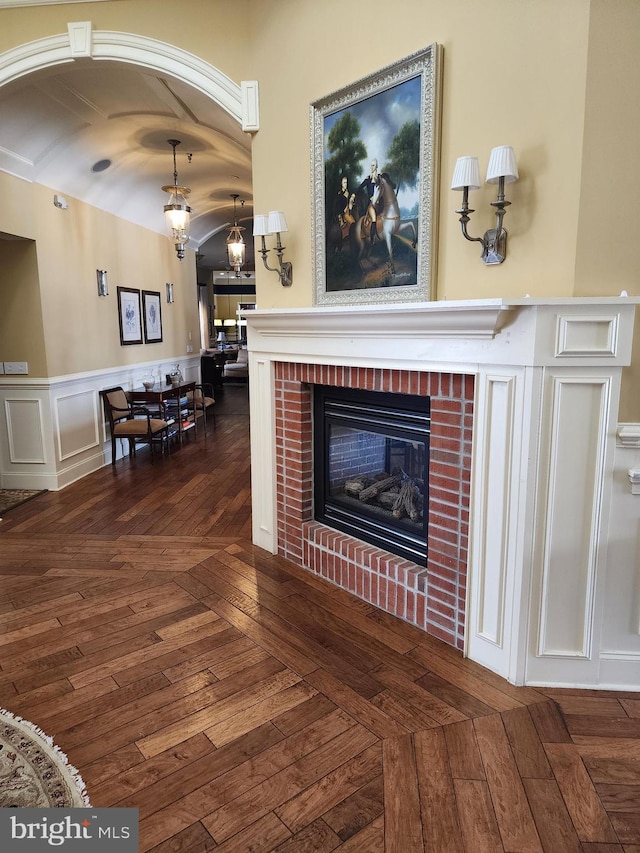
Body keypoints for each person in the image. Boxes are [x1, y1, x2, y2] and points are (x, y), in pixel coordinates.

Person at [357, 159, 381, 244]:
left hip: (379, 203)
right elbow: (360, 187)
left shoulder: (379, 178)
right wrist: (354, 194)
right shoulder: (368, 179)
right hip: (371, 203)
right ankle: (372, 239)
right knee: (374, 218)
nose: (372, 167)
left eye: (373, 165)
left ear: (376, 167)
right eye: (371, 165)